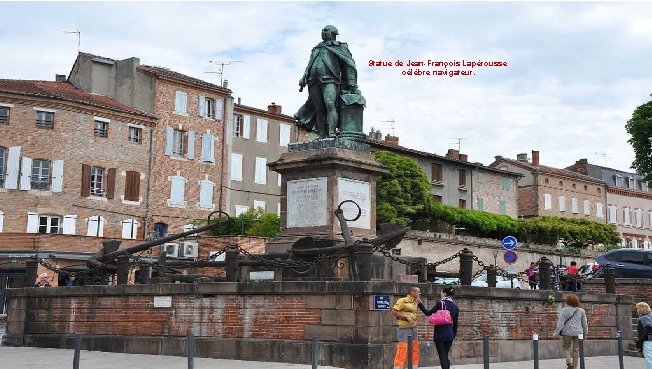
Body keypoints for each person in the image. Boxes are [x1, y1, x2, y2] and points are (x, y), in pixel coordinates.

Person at [294, 25, 360, 138]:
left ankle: (332, 132)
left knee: (330, 104)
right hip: (313, 80)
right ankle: (322, 135)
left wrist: (351, 83)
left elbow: (349, 64)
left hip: (330, 80)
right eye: (322, 31)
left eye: (325, 30)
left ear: (333, 33)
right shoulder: (317, 48)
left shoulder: (340, 46)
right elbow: (310, 64)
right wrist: (304, 76)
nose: (322, 32)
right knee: (318, 109)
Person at [418, 286, 459, 369]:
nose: (440, 294)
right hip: (449, 334)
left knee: (442, 355)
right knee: (445, 355)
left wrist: (419, 303)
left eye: (441, 292)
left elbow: (428, 313)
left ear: (444, 293)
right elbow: (455, 324)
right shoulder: (455, 307)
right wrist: (453, 335)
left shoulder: (440, 303)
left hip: (440, 333)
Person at [554, 293, 588, 369]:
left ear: (567, 302)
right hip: (578, 333)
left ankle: (569, 362)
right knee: (576, 350)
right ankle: (574, 367)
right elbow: (585, 324)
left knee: (566, 347)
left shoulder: (564, 310)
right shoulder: (581, 311)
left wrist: (556, 332)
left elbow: (560, 323)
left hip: (567, 332)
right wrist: (585, 334)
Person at [391, 286, 421, 369]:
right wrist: (406, 317)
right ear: (412, 292)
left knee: (415, 348)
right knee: (402, 348)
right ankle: (398, 367)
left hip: (413, 328)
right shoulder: (402, 301)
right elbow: (393, 312)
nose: (419, 293)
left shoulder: (415, 302)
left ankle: (414, 367)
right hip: (404, 328)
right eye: (418, 292)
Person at [636, 302, 652, 369]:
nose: (636, 310)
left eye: (637, 308)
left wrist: (639, 342)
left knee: (649, 359)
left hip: (648, 340)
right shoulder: (650, 316)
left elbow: (647, 327)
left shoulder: (644, 317)